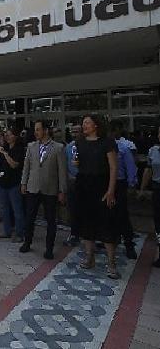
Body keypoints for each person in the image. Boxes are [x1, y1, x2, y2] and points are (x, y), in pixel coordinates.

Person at [74, 115, 120, 279]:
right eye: (83, 123)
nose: (84, 125)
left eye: (87, 122)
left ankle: (111, 262)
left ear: (96, 125)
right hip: (84, 184)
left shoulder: (107, 142)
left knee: (106, 224)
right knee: (87, 223)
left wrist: (111, 190)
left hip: (102, 185)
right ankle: (89, 257)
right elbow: (79, 162)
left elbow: (114, 168)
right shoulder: (80, 142)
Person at [20, 121, 67, 260]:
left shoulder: (58, 148)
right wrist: (23, 183)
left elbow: (62, 171)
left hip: (50, 189)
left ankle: (49, 248)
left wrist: (62, 190)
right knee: (29, 218)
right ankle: (27, 242)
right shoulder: (31, 146)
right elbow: (26, 166)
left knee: (51, 220)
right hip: (33, 187)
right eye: (35, 130)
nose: (36, 132)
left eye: (38, 130)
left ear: (46, 131)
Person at [111, 120, 138, 260]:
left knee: (122, 214)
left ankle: (129, 244)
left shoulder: (123, 147)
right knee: (109, 214)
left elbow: (131, 167)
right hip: (106, 184)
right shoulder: (103, 146)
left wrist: (132, 184)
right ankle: (111, 239)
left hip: (120, 183)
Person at [0, 128, 26, 242]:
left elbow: (14, 165)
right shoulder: (5, 148)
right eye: (6, 135)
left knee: (17, 210)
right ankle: (7, 231)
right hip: (2, 182)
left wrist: (5, 153)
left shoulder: (19, 149)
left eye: (9, 135)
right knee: (4, 208)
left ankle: (19, 233)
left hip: (14, 183)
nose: (7, 137)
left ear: (15, 136)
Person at [138, 126, 160, 268]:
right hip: (158, 188)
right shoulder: (154, 151)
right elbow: (148, 170)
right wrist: (142, 189)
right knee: (158, 221)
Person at [63, 125, 82, 247]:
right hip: (72, 183)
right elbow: (65, 165)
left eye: (77, 131)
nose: (74, 134)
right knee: (73, 210)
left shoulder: (88, 146)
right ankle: (74, 234)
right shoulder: (69, 148)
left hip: (87, 181)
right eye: (72, 131)